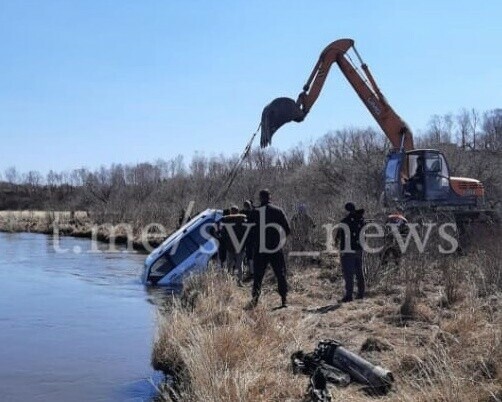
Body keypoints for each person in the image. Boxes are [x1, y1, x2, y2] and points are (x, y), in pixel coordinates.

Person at [245, 189, 291, 309]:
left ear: (260, 198)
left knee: (258, 275)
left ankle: (255, 300)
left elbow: (248, 231)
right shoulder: (278, 211)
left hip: (260, 248)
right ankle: (284, 300)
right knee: (280, 274)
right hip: (276, 247)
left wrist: (253, 243)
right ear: (270, 197)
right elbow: (287, 229)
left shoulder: (255, 213)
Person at [335, 202, 366, 302]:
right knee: (359, 272)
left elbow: (338, 238)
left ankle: (349, 296)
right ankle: (361, 294)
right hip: (359, 249)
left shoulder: (345, 222)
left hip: (347, 250)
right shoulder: (361, 220)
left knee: (349, 273)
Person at [220, 205, 248, 286]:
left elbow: (223, 235)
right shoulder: (229, 221)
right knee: (234, 265)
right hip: (233, 247)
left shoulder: (241, 221)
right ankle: (232, 282)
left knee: (235, 266)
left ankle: (237, 281)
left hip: (236, 247)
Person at [241, 200, 255, 282]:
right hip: (253, 238)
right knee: (251, 255)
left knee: (250, 255)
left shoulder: (245, 215)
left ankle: (252, 272)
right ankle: (252, 272)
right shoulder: (255, 213)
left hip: (249, 238)